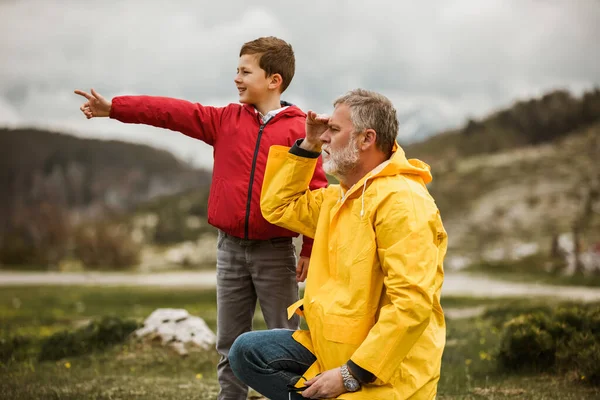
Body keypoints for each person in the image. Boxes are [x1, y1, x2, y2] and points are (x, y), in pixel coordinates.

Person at [74, 36, 328, 400]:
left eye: (245, 71)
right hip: (229, 251)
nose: (236, 78)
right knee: (228, 344)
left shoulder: (299, 130)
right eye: (236, 71)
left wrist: (309, 249)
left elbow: (315, 195)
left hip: (275, 252)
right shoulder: (223, 120)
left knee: (288, 340)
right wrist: (114, 107)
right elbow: (168, 112)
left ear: (274, 80)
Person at [229, 89, 447, 399]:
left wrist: (350, 374)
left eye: (333, 129)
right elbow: (278, 206)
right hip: (331, 348)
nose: (325, 137)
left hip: (384, 370)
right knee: (247, 352)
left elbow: (411, 305)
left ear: (366, 139)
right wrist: (309, 145)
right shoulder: (340, 197)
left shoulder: (403, 203)